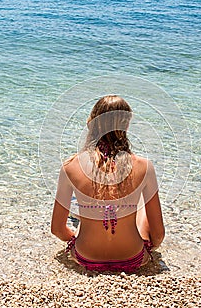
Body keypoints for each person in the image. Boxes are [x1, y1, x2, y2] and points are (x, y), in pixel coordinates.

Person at [51, 95, 165, 273]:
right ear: (126, 126)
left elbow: (57, 229)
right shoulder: (144, 167)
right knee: (140, 204)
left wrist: (75, 240)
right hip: (133, 258)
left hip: (85, 256)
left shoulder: (71, 166)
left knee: (89, 211)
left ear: (90, 123)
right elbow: (158, 235)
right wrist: (150, 247)